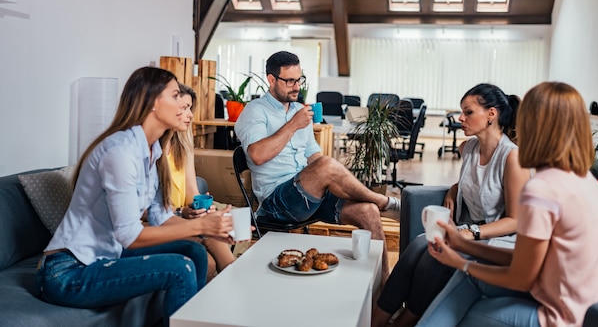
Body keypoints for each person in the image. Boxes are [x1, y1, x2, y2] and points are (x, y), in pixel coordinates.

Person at [36, 67, 234, 324]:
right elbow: (129, 236)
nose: (184, 108)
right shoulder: (120, 152)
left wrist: (211, 229)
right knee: (179, 268)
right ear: (153, 103)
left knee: (193, 252)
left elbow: (161, 218)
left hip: (106, 256)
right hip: (68, 271)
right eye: (175, 97)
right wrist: (200, 225)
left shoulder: (151, 152)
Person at [419, 81, 598, 327]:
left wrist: (460, 262)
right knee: (472, 277)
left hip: (572, 318)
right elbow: (524, 261)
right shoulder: (584, 180)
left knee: (470, 306)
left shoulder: (542, 188)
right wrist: (463, 243)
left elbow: (521, 278)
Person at [373, 83, 530, 327]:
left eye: (468, 112)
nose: (461, 118)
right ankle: (375, 320)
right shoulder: (468, 148)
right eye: (462, 111)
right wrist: (455, 189)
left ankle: (402, 323)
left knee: (435, 257)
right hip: (470, 231)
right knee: (417, 245)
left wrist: (470, 232)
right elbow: (476, 179)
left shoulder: (512, 157)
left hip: (497, 239)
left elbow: (515, 220)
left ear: (491, 114)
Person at [234, 50, 400, 282]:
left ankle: (384, 293)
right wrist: (293, 125)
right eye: (289, 81)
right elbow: (257, 155)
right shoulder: (254, 111)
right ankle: (385, 202)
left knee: (368, 212)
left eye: (299, 79)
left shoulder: (298, 111)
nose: (296, 86)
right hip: (277, 203)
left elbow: (314, 157)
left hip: (307, 196)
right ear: (271, 80)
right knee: (326, 166)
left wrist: (336, 178)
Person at [161, 83, 236, 280]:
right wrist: (182, 211)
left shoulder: (182, 146)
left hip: (180, 217)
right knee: (209, 261)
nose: (190, 115)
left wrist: (202, 206)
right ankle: (238, 280)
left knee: (218, 221)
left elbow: (192, 193)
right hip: (160, 221)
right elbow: (147, 209)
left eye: (190, 108)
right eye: (184, 108)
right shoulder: (150, 149)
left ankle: (236, 280)